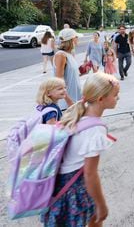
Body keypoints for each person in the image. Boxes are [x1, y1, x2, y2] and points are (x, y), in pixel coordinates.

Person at [41, 72, 119, 227]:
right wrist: (101, 204)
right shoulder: (95, 129)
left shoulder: (80, 115)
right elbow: (90, 174)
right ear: (101, 99)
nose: (118, 98)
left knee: (93, 221)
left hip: (60, 184)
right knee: (96, 218)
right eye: (115, 95)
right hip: (73, 189)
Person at [54, 28, 82, 110]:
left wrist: (83, 71)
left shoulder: (69, 54)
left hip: (75, 99)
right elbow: (58, 80)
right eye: (76, 37)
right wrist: (69, 101)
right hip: (67, 103)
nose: (78, 39)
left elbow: (70, 75)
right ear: (72, 39)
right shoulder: (61, 55)